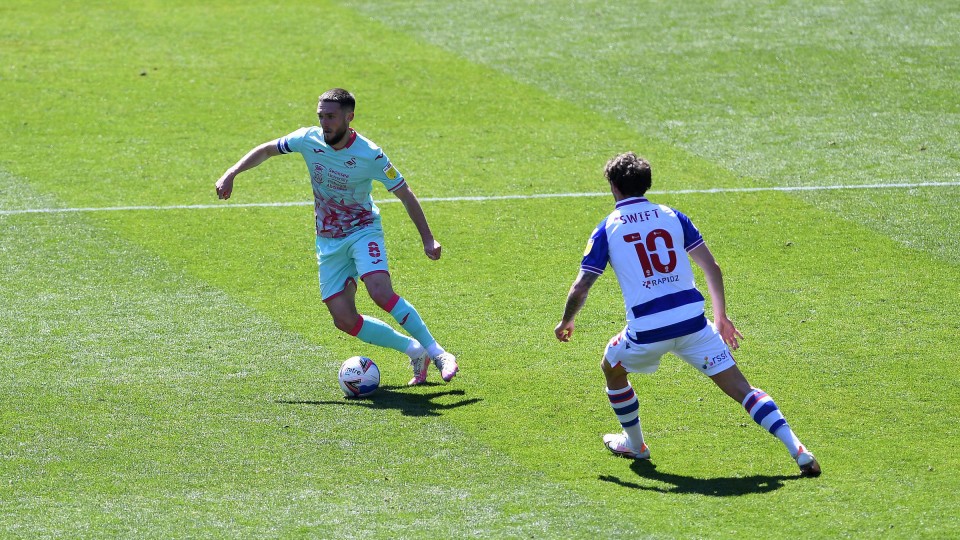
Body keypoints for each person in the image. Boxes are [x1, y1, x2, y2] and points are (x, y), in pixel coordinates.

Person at [554, 152, 819, 477]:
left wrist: (567, 320)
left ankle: (635, 445)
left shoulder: (607, 228)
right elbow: (711, 267)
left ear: (613, 186)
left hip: (647, 332)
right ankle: (797, 448)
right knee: (743, 390)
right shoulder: (672, 216)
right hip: (694, 324)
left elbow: (581, 287)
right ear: (646, 183)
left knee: (611, 367)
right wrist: (720, 317)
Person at [215, 88, 458, 386]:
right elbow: (268, 149)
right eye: (321, 116)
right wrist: (232, 172)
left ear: (348, 117)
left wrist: (427, 238)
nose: (324, 123)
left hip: (362, 229)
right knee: (344, 319)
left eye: (330, 116)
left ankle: (439, 353)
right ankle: (414, 350)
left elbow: (404, 193)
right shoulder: (309, 139)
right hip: (328, 240)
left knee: (380, 291)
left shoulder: (370, 154)